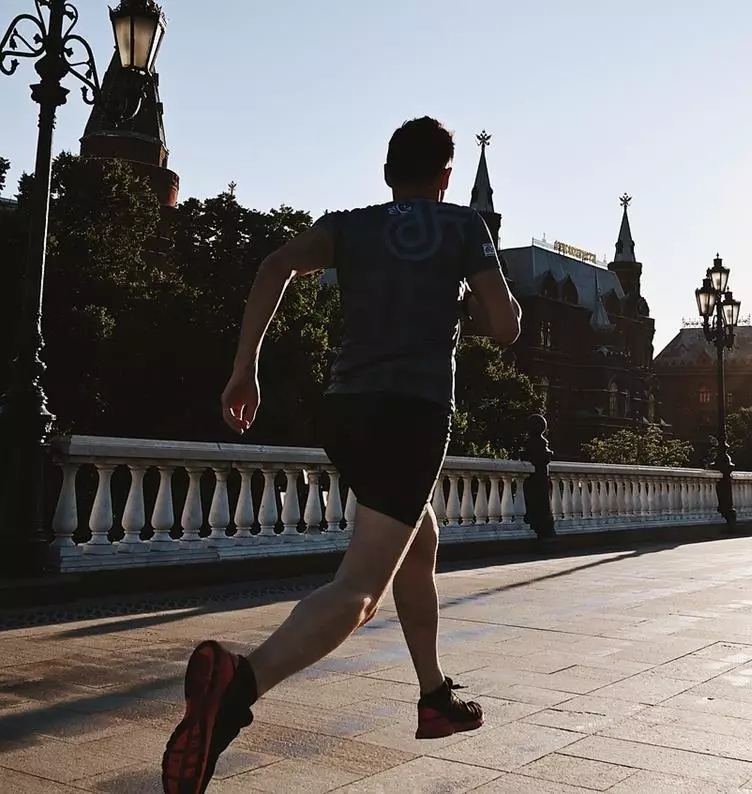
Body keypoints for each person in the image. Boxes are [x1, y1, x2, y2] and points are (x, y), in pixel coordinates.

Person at [161, 116, 522, 794]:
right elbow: (505, 329)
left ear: (387, 174)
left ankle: (433, 695)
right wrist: (469, 291)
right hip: (411, 414)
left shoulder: (349, 225)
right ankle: (235, 690)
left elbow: (273, 266)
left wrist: (245, 369)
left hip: (345, 410)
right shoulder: (463, 227)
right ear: (447, 179)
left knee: (417, 541)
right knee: (360, 590)